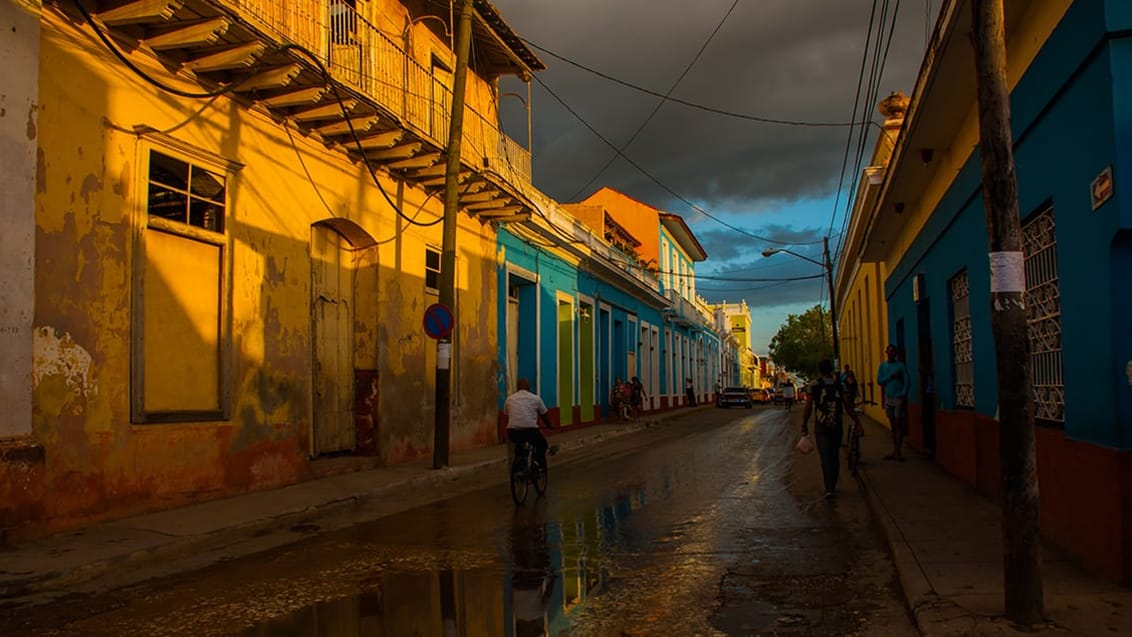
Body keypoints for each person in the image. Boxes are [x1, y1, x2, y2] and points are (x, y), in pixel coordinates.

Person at [801, 359, 862, 499]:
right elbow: (847, 405)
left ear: (820, 370)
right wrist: (856, 421)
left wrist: (804, 424)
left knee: (825, 456)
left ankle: (829, 487)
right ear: (831, 370)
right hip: (837, 424)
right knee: (834, 454)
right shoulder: (840, 385)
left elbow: (808, 407)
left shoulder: (814, 385)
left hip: (821, 425)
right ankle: (833, 481)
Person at [504, 378, 554, 469]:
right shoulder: (536, 398)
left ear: (517, 387)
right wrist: (550, 425)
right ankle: (536, 463)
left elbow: (507, 415)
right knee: (542, 444)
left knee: (518, 446)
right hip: (530, 431)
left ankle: (519, 468)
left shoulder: (509, 399)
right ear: (529, 388)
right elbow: (544, 415)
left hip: (513, 432)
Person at [877, 344, 910, 461]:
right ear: (886, 353)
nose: (890, 353)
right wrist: (890, 377)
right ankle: (895, 450)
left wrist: (903, 392)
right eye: (889, 351)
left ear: (895, 353)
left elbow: (907, 379)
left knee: (899, 423)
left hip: (898, 397)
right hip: (888, 397)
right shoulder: (883, 366)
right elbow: (879, 381)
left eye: (893, 351)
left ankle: (898, 451)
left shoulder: (900, 366)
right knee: (893, 424)